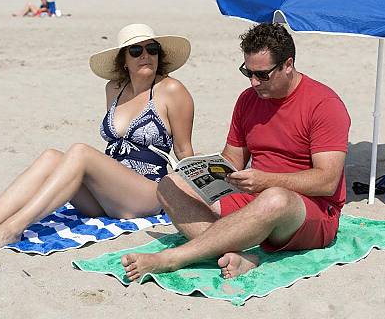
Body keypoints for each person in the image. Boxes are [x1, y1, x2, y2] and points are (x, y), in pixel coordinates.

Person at [121, 23, 350, 280]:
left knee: (276, 198)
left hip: (308, 210)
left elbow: (327, 181)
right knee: (169, 185)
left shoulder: (324, 104)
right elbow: (233, 159)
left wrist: (267, 180)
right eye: (247, 72)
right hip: (254, 196)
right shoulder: (248, 99)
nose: (254, 82)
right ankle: (236, 253)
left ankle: (174, 258)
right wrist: (203, 170)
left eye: (262, 75)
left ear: (288, 65)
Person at [0, 23, 194, 251]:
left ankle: (13, 229)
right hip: (108, 197)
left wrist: (197, 198)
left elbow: (184, 151)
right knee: (51, 157)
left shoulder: (171, 90)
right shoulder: (114, 89)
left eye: (152, 49)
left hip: (146, 194)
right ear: (124, 61)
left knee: (80, 152)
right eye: (136, 50)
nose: (145, 55)